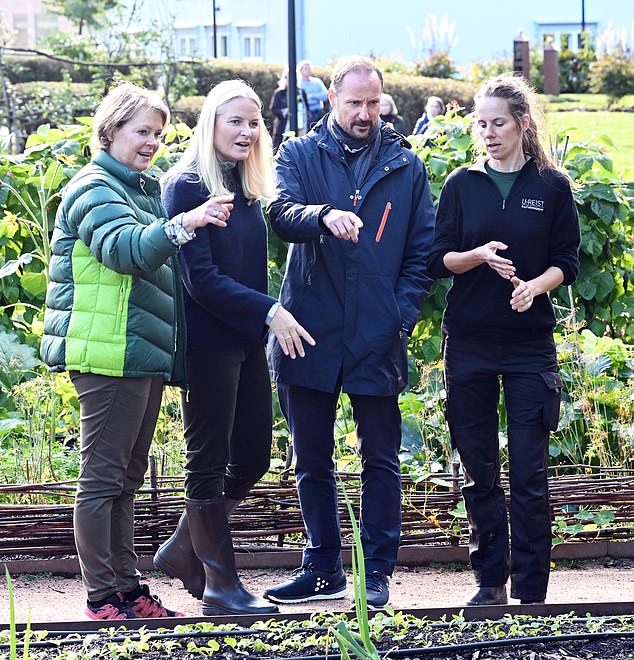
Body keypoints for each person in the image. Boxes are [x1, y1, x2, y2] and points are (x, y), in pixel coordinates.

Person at [40, 82, 234, 621]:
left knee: (125, 478)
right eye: (141, 131)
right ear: (111, 130)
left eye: (158, 133)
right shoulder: (92, 187)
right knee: (102, 479)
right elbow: (126, 251)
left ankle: (128, 590)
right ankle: (103, 596)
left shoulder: (142, 188)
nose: (151, 142)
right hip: (107, 352)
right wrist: (186, 223)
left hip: (138, 352)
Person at [264, 56, 435, 610]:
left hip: (376, 334)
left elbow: (422, 254)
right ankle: (322, 567)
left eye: (373, 103)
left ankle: (377, 570)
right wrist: (321, 215)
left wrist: (398, 316)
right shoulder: (297, 154)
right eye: (354, 102)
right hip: (308, 328)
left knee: (380, 459)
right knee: (310, 457)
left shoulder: (406, 167)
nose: (365, 113)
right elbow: (280, 213)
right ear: (332, 99)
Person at [157, 80, 314, 616]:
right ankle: (221, 584)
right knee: (208, 458)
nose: (247, 131)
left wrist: (260, 317)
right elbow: (200, 280)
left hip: (244, 340)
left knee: (253, 455)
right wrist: (271, 310)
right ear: (211, 124)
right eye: (236, 122)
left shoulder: (247, 188)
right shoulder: (186, 185)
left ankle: (182, 549)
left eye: (254, 123)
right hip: (206, 344)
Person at [428, 74, 580, 606]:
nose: (488, 133)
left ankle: (533, 591)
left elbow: (568, 261)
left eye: (498, 123)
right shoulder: (461, 185)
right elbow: (437, 257)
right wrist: (477, 257)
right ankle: (489, 582)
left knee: (530, 471)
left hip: (528, 347)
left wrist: (535, 287)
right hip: (467, 342)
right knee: (478, 468)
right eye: (481, 123)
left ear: (522, 124)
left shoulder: (551, 186)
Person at [270, 70, 310, 151]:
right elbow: (273, 108)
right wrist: (284, 112)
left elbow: (307, 109)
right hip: (283, 125)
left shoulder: (301, 92)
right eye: (287, 77)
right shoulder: (279, 93)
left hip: (300, 126)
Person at [297, 59, 329, 127]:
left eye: (309, 68)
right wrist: (318, 97)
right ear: (301, 70)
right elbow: (302, 101)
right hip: (307, 114)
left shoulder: (317, 82)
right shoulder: (298, 84)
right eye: (306, 69)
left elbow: (326, 96)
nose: (308, 70)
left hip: (319, 113)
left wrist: (312, 96)